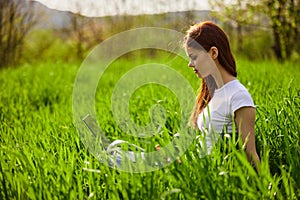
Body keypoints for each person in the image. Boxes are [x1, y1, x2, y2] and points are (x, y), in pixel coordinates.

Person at [183, 21, 260, 170]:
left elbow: (251, 156)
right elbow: (206, 149)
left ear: (213, 53)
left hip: (217, 180)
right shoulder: (215, 94)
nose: (190, 64)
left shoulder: (238, 96)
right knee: (123, 150)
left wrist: (267, 190)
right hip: (200, 173)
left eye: (194, 57)